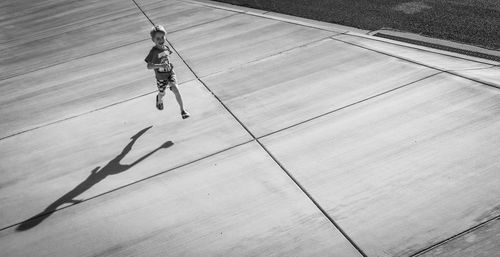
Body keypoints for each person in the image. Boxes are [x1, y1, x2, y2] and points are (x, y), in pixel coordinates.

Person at [145, 25, 190, 119]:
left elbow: (166, 57)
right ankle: (159, 98)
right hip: (161, 77)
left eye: (162, 37)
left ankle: (183, 111)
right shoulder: (153, 52)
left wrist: (167, 64)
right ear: (153, 40)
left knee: (176, 89)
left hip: (170, 73)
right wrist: (160, 65)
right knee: (162, 93)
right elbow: (149, 66)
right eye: (158, 38)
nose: (161, 40)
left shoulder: (166, 47)